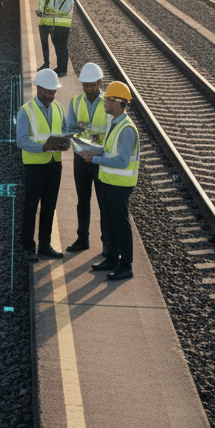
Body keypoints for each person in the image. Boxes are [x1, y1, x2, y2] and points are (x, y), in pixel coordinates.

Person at [77, 81, 138, 280]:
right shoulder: (115, 123)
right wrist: (92, 151)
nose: (106, 102)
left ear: (120, 103)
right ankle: (112, 258)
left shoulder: (127, 129)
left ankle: (126, 265)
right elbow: (108, 149)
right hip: (109, 182)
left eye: (110, 100)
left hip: (120, 186)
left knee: (121, 225)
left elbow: (121, 160)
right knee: (111, 223)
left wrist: (94, 159)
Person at [16, 68, 71, 259]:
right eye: (48, 92)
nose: (52, 95)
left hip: (55, 165)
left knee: (49, 206)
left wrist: (66, 142)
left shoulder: (57, 107)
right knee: (31, 207)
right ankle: (28, 247)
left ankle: (45, 245)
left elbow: (63, 130)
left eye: (54, 92)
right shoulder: (25, 111)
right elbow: (21, 141)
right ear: (38, 89)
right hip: (34, 168)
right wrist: (44, 147)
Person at [65, 63, 107, 253]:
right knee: (83, 201)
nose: (89, 89)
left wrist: (87, 133)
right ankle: (83, 239)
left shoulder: (109, 102)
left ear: (100, 82)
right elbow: (70, 129)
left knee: (104, 203)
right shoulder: (75, 102)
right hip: (81, 159)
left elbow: (111, 133)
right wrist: (81, 148)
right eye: (85, 85)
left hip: (101, 161)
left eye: (92, 85)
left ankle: (107, 246)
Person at [47, 0, 75, 77]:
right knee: (57, 47)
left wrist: (53, 13)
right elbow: (50, 8)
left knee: (63, 48)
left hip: (64, 27)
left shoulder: (69, 1)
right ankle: (59, 67)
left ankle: (64, 69)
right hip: (55, 26)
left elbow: (63, 13)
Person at [36, 0, 56, 70]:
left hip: (53, 25)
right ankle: (46, 63)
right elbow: (40, 9)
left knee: (57, 44)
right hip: (43, 25)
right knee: (44, 44)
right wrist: (39, 13)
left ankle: (60, 65)